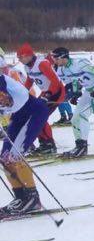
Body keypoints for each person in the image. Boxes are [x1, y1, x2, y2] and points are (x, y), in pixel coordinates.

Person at [0, 73, 51, 216]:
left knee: (14, 156)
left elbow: (5, 99)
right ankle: (21, 198)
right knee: (4, 158)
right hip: (18, 116)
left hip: (34, 112)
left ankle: (32, 199)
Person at [51, 48, 94, 158]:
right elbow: (74, 82)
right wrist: (75, 93)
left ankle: (83, 146)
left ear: (63, 57)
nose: (54, 60)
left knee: (83, 115)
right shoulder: (62, 69)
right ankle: (79, 146)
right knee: (74, 119)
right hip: (88, 92)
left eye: (56, 58)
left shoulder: (80, 63)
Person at [17, 44, 65, 156]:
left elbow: (55, 81)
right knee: (31, 116)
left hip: (56, 92)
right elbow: (29, 81)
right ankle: (44, 143)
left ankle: (49, 144)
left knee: (39, 117)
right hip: (45, 93)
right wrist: (21, 93)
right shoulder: (27, 66)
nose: (19, 60)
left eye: (21, 57)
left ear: (28, 55)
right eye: (18, 57)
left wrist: (48, 94)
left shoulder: (42, 63)